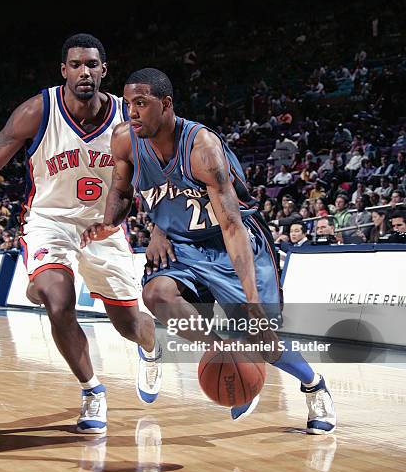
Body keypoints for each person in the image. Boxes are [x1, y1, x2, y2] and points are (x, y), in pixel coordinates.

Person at [82, 68, 336, 435]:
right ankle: (225, 352)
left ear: (166, 104)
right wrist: (113, 223)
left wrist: (251, 302)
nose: (132, 112)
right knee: (156, 294)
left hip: (229, 241)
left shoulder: (202, 149)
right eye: (128, 104)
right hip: (183, 245)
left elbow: (232, 226)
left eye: (141, 103)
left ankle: (314, 385)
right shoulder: (125, 139)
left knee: (261, 336)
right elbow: (122, 193)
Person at [0, 34, 162, 435]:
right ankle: (92, 390)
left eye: (91, 64)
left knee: (129, 324)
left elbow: (163, 171)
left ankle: (152, 347)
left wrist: (159, 226)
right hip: (49, 221)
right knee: (59, 301)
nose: (84, 71)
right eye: (76, 64)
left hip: (106, 226)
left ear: (104, 70)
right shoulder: (38, 111)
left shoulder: (130, 117)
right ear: (63, 71)